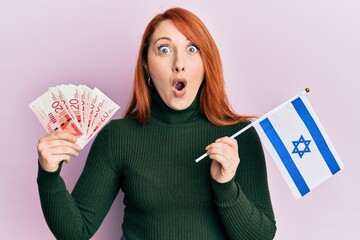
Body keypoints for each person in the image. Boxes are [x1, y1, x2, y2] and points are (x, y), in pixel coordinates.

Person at [36, 7, 276, 240]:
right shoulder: (117, 138)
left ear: (206, 63)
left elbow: (262, 236)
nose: (179, 63)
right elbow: (75, 232)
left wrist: (225, 186)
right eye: (164, 49)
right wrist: (49, 175)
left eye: (192, 48)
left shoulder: (238, 134)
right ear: (146, 65)